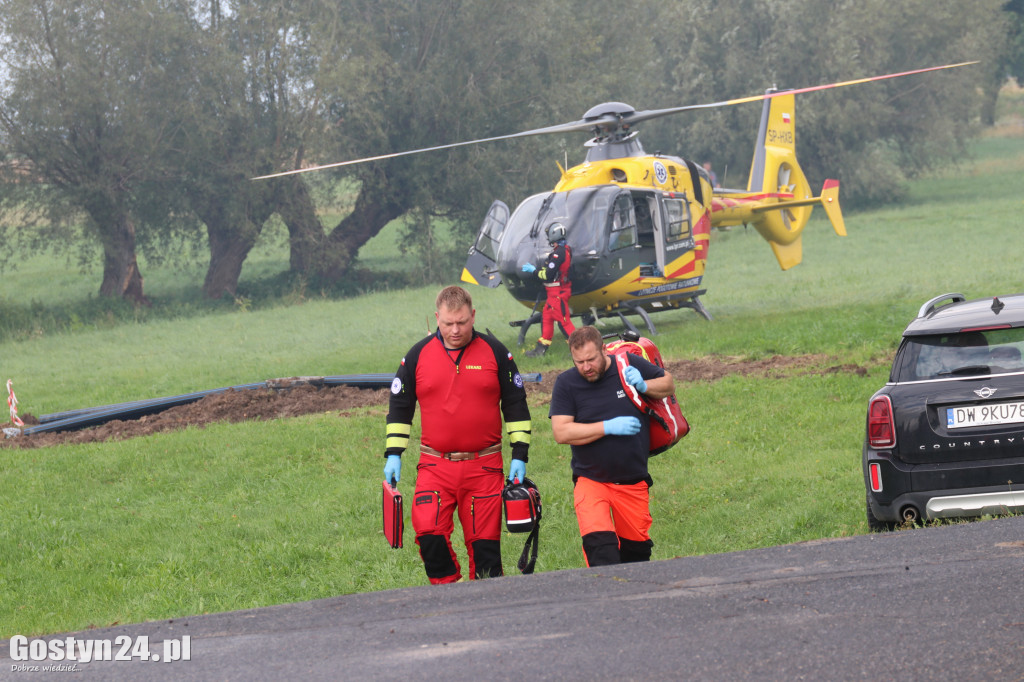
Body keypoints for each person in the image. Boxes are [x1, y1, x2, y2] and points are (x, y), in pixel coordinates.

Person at [383, 285, 532, 584]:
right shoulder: (416, 356)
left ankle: (488, 612)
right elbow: (400, 408)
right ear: (437, 317)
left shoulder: (496, 352)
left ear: (473, 315)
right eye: (448, 323)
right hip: (435, 467)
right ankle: (448, 597)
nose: (455, 330)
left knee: (486, 552)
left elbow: (516, 404)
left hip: (485, 468)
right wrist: (394, 455)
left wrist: (520, 455)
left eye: (462, 322)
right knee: (429, 536)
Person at [548, 326, 675, 566]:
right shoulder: (566, 383)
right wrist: (606, 427)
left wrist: (645, 386)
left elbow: (668, 384)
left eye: (591, 359)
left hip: (632, 481)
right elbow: (561, 432)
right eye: (579, 362)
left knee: (636, 558)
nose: (586, 367)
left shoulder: (627, 363)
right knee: (601, 553)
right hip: (591, 481)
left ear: (604, 350)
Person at [521, 222, 575, 357]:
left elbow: (547, 275)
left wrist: (533, 271)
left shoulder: (558, 254)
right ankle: (540, 350)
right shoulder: (565, 250)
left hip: (558, 295)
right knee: (547, 318)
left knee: (564, 323)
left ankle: (579, 349)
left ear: (553, 235)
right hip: (554, 295)